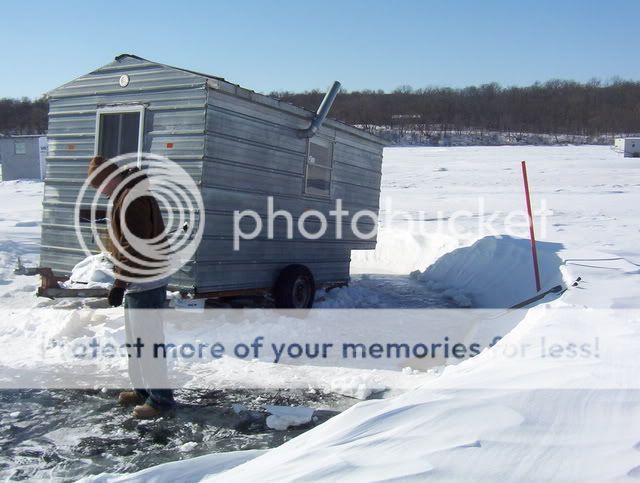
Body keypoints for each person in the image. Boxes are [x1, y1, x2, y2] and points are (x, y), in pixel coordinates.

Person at [87, 155, 175, 419]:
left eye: (100, 185)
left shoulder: (131, 198)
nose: (99, 191)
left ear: (110, 177)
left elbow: (133, 245)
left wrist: (119, 282)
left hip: (145, 279)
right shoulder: (127, 194)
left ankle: (160, 400)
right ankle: (142, 391)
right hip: (139, 280)